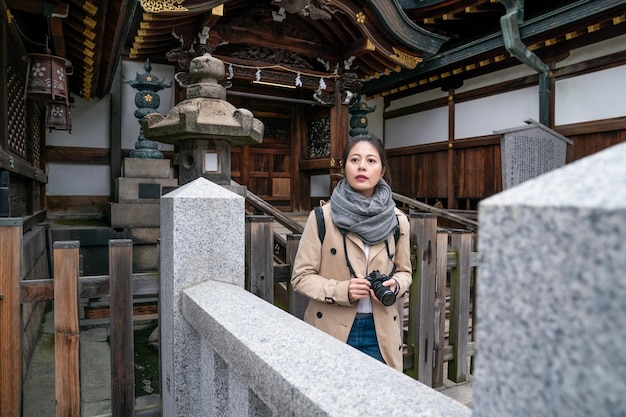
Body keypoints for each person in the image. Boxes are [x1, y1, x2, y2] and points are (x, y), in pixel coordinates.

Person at [291, 133, 412, 371]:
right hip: (330, 329)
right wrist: (342, 290)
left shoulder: (398, 221)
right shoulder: (322, 218)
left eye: (371, 161)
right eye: (355, 160)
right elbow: (301, 277)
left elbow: (405, 272)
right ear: (344, 167)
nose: (362, 167)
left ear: (382, 170)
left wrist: (395, 285)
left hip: (381, 333)